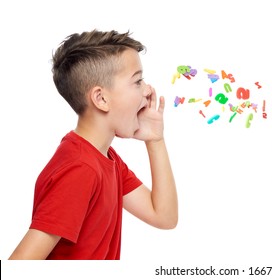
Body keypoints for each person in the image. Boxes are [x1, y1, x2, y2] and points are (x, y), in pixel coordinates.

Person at [9, 30, 178, 260]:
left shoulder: (107, 159)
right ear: (101, 99)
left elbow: (164, 217)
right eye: (137, 81)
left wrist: (155, 140)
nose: (148, 90)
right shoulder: (80, 169)